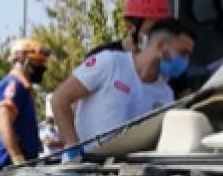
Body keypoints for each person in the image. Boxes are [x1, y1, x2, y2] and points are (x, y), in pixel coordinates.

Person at [51, 20, 188, 158]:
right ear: (161, 45)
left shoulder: (166, 96)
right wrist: (73, 148)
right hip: (83, 172)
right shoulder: (110, 63)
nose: (186, 62)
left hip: (130, 174)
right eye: (183, 53)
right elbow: (59, 99)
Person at [0, 38, 50, 172]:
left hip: (14, 168)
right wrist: (18, 160)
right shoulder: (14, 85)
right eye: (37, 61)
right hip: (6, 169)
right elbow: (3, 123)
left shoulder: (22, 88)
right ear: (21, 59)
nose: (42, 67)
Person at [85, 0, 172, 57]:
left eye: (162, 29)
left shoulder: (165, 64)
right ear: (129, 25)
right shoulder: (100, 57)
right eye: (153, 29)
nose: (159, 36)